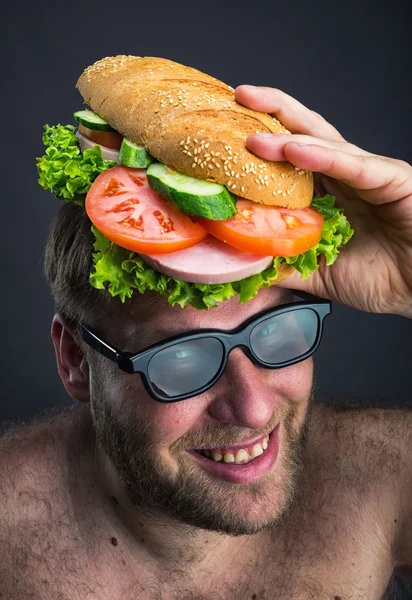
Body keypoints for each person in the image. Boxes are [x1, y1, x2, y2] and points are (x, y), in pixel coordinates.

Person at [1, 84, 411, 600]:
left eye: (278, 333)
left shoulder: (386, 473)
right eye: (182, 359)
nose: (254, 408)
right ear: (75, 360)